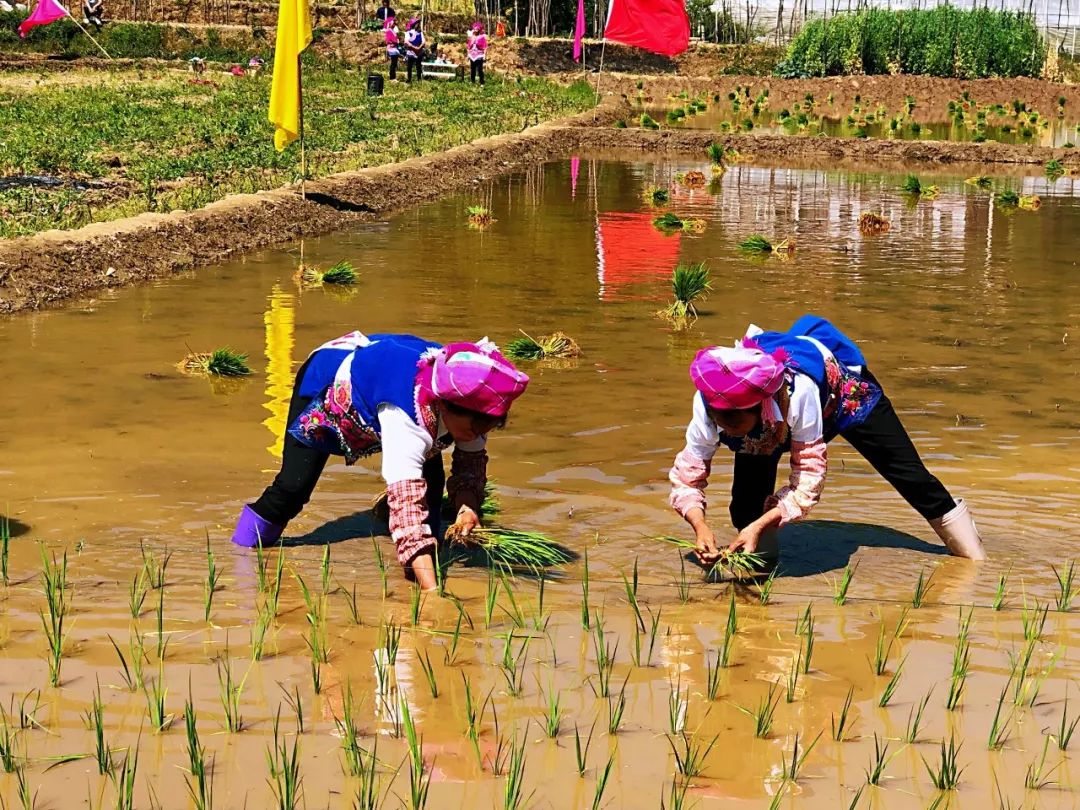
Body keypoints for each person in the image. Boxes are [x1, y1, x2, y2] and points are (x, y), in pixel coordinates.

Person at [668, 315, 986, 573]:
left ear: (761, 408)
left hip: (841, 396)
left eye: (736, 427)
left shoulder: (799, 393)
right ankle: (759, 575)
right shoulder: (711, 404)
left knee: (910, 476)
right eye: (724, 427)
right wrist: (701, 527)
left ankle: (975, 561)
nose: (730, 435)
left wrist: (762, 524)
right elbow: (688, 477)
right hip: (768, 427)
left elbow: (808, 482)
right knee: (745, 508)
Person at [230, 332, 529, 591]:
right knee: (293, 488)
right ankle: (240, 553)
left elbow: (470, 464)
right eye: (473, 429)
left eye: (484, 430)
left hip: (385, 370)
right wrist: (433, 597)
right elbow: (409, 514)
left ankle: (426, 560)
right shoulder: (406, 418)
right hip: (329, 381)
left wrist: (467, 509)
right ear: (444, 406)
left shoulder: (472, 400)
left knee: (432, 488)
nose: (475, 435)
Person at [403, 17, 425, 83]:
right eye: (417, 23)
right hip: (411, 53)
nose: (418, 24)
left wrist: (419, 48)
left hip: (419, 53)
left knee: (418, 67)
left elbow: (423, 42)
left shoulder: (420, 33)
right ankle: (409, 79)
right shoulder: (408, 33)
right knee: (409, 67)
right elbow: (406, 42)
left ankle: (419, 79)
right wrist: (415, 48)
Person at [384, 16, 401, 80]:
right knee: (393, 63)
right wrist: (394, 42)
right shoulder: (389, 31)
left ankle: (393, 76)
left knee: (395, 63)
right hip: (392, 48)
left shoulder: (393, 31)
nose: (394, 24)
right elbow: (388, 40)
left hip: (395, 48)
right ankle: (392, 77)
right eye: (393, 23)